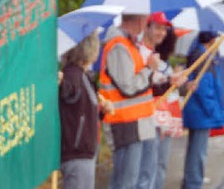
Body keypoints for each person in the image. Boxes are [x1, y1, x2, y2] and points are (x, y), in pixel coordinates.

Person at [99, 14, 158, 189]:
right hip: (125, 124)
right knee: (125, 182)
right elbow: (128, 86)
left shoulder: (127, 44)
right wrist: (149, 69)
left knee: (130, 180)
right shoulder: (119, 46)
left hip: (134, 123)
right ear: (140, 20)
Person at [59, 31, 113, 189]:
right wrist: (62, 84)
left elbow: (81, 110)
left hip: (82, 151)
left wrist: (101, 110)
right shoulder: (73, 75)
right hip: (78, 152)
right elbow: (68, 92)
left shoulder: (82, 75)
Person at [140, 12, 186, 189]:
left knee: (158, 167)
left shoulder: (158, 58)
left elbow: (159, 86)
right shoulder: (142, 53)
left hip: (163, 119)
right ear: (147, 27)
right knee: (146, 170)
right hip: (147, 119)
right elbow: (144, 87)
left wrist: (173, 83)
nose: (162, 33)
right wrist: (169, 82)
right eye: (158, 28)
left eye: (164, 29)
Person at [181, 31, 224, 189]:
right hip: (201, 112)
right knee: (198, 151)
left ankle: (190, 181)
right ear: (212, 40)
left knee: (195, 149)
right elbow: (205, 90)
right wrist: (215, 113)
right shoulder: (202, 58)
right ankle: (193, 183)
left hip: (197, 111)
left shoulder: (198, 54)